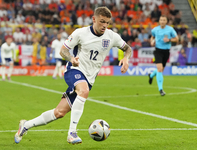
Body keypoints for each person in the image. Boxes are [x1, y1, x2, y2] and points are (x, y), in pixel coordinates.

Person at [14, 7, 132, 145]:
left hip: (89, 78)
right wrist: (71, 59)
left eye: (107, 22)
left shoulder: (112, 36)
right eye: (102, 22)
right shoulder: (80, 33)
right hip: (74, 70)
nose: (104, 25)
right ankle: (72, 133)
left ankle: (26, 125)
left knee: (59, 113)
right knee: (84, 91)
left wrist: (126, 58)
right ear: (94, 19)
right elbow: (63, 51)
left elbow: (127, 48)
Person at [148, 15, 178, 96]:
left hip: (166, 51)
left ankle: (151, 75)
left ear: (166, 21)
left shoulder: (170, 29)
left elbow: (176, 39)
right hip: (158, 51)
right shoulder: (155, 29)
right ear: (159, 21)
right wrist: (152, 41)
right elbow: (152, 37)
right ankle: (161, 89)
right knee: (160, 69)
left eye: (164, 20)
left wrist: (169, 40)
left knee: (160, 70)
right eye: (161, 20)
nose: (162, 21)